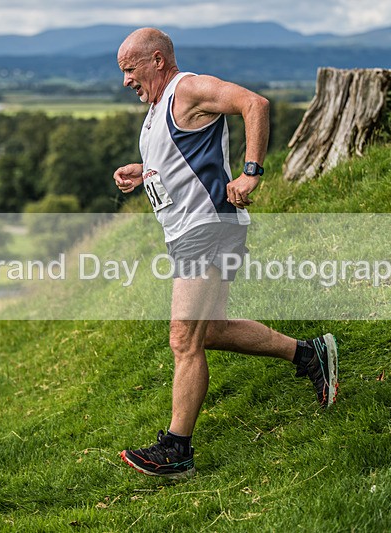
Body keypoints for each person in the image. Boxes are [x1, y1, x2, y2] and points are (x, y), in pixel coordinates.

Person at [113, 27, 338, 480]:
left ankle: (176, 449)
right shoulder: (158, 109)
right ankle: (309, 354)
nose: (126, 81)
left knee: (183, 338)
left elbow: (254, 104)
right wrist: (147, 173)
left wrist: (251, 172)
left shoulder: (187, 88)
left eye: (130, 69)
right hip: (189, 232)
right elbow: (187, 157)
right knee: (209, 330)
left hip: (209, 227)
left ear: (157, 60)